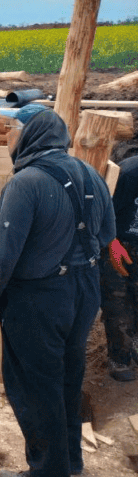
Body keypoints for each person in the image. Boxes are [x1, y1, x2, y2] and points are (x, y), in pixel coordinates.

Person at [0, 108, 115, 477]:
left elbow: (5, 252)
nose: (7, 136)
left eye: (10, 128)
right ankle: (69, 463)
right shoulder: (90, 174)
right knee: (67, 376)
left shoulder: (26, 182)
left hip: (38, 299)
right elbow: (106, 235)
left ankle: (47, 471)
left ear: (27, 134)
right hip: (83, 291)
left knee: (36, 386)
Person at [101, 155, 138, 381]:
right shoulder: (129, 173)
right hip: (119, 243)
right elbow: (105, 211)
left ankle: (135, 345)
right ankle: (119, 359)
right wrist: (111, 242)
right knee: (117, 301)